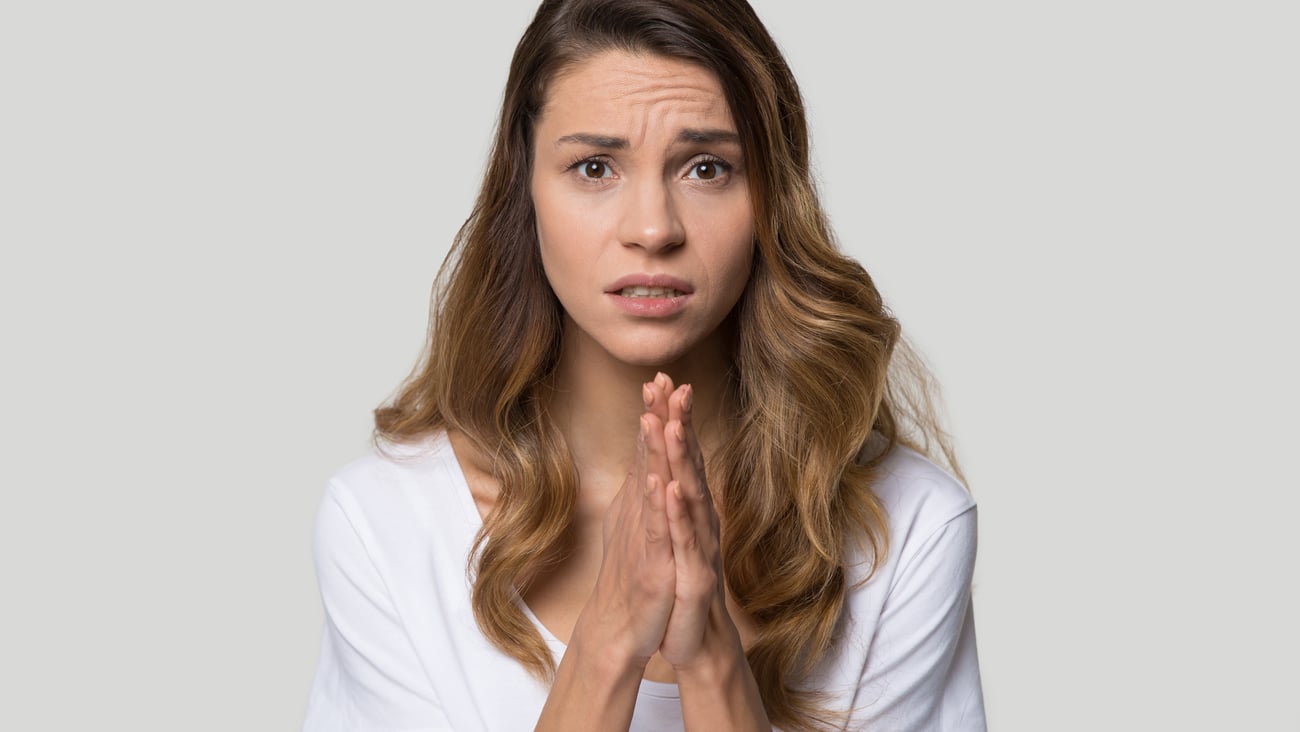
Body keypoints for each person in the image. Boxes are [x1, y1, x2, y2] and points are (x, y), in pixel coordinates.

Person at [303, 0, 985, 729]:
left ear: (770, 200)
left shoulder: (908, 530)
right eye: (595, 167)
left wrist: (711, 659)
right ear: (523, 191)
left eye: (706, 167)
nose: (653, 229)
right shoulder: (387, 524)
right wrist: (606, 645)